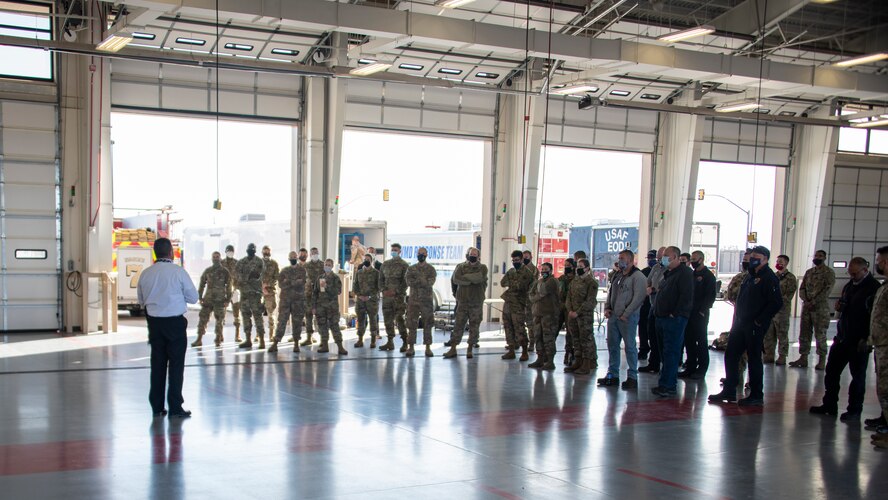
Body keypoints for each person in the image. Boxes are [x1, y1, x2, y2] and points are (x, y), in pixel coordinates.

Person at [709, 246, 783, 406]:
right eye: (751, 256)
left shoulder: (769, 278)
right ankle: (729, 389)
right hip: (740, 323)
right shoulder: (750, 276)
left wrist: (759, 320)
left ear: (765, 259)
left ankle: (756, 394)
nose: (752, 259)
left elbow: (776, 303)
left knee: (754, 358)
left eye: (756, 256)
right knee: (731, 355)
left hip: (754, 325)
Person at [810, 257, 880, 420]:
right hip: (842, 337)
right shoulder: (850, 286)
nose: (852, 275)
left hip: (859, 341)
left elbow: (876, 317)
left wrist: (867, 338)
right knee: (832, 373)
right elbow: (845, 304)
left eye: (855, 273)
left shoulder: (873, 288)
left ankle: (854, 410)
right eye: (850, 272)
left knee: (857, 377)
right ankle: (829, 405)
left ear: (864, 270)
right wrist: (840, 306)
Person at [137, 238, 198, 419]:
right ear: (171, 252)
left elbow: (141, 301)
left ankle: (157, 406)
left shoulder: (146, 274)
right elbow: (193, 298)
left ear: (155, 253)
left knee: (158, 365)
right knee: (176, 366)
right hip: (175, 324)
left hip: (154, 324)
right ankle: (175, 407)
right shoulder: (179, 273)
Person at [599, 250, 647, 389]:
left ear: (631, 260)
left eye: (622, 258)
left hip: (628, 318)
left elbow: (638, 298)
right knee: (612, 345)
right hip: (614, 316)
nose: (619, 260)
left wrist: (626, 313)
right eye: (619, 258)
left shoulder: (638, 277)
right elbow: (611, 292)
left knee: (630, 347)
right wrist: (607, 307)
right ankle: (613, 374)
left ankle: (632, 376)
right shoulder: (617, 275)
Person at [650, 246, 694, 397]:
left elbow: (685, 297)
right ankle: (665, 382)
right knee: (664, 352)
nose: (663, 258)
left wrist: (674, 314)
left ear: (675, 257)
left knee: (671, 352)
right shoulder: (668, 273)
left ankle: (668, 385)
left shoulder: (685, 273)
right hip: (661, 317)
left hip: (673, 319)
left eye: (666, 256)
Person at [791, 250, 836, 370]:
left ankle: (822, 360)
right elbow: (802, 288)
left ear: (825, 257)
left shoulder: (829, 273)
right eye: (816, 256)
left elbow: (827, 290)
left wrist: (814, 302)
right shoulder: (809, 272)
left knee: (820, 334)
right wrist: (806, 301)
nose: (817, 258)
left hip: (820, 308)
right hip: (807, 308)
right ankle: (803, 357)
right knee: (804, 333)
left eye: (820, 256)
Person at [677, 251, 716, 380]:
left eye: (694, 259)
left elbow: (710, 296)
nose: (692, 261)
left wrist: (702, 311)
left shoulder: (708, 276)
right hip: (689, 313)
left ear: (701, 259)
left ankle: (702, 368)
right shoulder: (691, 274)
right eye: (691, 259)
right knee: (689, 341)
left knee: (701, 341)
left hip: (700, 314)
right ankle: (691, 367)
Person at [444, 247, 488, 359]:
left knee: (474, 326)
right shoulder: (461, 267)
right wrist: (470, 280)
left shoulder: (482, 268)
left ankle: (470, 349)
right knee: (458, 325)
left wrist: (465, 278)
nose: (472, 255)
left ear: (478, 256)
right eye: (471, 253)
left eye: (475, 254)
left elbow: (479, 278)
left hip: (476, 302)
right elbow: (455, 279)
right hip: (463, 301)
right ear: (468, 255)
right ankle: (453, 348)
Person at [564, 258, 599, 375]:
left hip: (584, 316)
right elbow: (568, 297)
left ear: (587, 268)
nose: (578, 269)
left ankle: (587, 363)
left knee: (586, 339)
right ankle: (578, 360)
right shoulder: (574, 281)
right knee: (576, 338)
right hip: (572, 315)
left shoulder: (591, 282)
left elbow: (590, 301)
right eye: (577, 266)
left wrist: (578, 312)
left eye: (581, 267)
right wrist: (570, 310)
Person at [867, 247, 888, 443]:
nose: (878, 264)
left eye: (880, 261)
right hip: (881, 345)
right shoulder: (884, 285)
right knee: (883, 388)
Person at [268, 251, 307, 353]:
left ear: (297, 257)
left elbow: (302, 282)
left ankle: (296, 344)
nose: (293, 258)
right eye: (291, 257)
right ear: (289, 258)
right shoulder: (284, 270)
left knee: (297, 322)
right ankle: (275, 343)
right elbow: (281, 284)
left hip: (298, 301)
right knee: (282, 321)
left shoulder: (302, 270)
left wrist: (288, 281)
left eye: (294, 257)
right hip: (285, 301)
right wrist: (294, 282)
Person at [763, 254, 798, 365]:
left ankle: (782, 356)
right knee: (769, 333)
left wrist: (776, 302)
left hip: (782, 310)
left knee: (782, 333)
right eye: (777, 261)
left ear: (786, 263)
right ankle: (769, 355)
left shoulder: (791, 278)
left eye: (781, 261)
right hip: (771, 311)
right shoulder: (773, 276)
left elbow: (789, 295)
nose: (779, 263)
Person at [191, 251, 231, 347]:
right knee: (203, 318)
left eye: (217, 257)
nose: (216, 258)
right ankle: (199, 339)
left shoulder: (225, 271)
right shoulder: (208, 271)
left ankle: (218, 339)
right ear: (212, 258)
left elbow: (229, 286)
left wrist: (227, 300)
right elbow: (202, 283)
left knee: (219, 320)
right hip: (208, 299)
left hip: (220, 300)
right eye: (214, 257)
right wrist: (199, 297)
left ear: (220, 258)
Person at [501, 250, 535, 361]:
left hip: (519, 303)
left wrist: (513, 283)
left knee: (519, 327)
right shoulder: (511, 271)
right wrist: (513, 283)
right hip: (509, 302)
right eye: (513, 260)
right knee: (508, 326)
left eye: (517, 260)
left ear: (521, 260)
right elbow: (503, 282)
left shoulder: (527, 273)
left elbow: (524, 286)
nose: (515, 262)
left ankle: (524, 351)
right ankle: (511, 350)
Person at [405, 247, 437, 357]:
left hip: (426, 301)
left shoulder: (431, 269)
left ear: (427, 255)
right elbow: (409, 282)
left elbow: (430, 283)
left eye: (423, 253)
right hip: (413, 301)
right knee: (411, 324)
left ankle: (428, 348)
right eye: (419, 253)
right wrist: (422, 280)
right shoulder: (411, 268)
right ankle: (411, 347)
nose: (421, 255)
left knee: (428, 324)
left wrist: (418, 280)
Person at [528, 263, 561, 370]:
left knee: (548, 338)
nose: (543, 271)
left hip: (549, 314)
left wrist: (537, 295)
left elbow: (543, 291)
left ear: (551, 270)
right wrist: (537, 295)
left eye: (546, 269)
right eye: (542, 269)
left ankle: (550, 360)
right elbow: (531, 295)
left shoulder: (553, 281)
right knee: (538, 336)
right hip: (537, 313)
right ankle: (540, 358)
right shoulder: (539, 281)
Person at [639, 246, 667, 374]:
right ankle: (653, 363)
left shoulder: (671, 271)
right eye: (659, 258)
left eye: (662, 257)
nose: (659, 260)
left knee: (665, 340)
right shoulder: (656, 268)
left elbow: (664, 286)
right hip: (653, 306)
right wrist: (650, 287)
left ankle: (666, 368)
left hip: (665, 309)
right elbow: (648, 281)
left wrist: (655, 289)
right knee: (652, 335)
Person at [379, 243, 409, 352]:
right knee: (387, 320)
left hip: (398, 298)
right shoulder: (385, 264)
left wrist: (395, 291)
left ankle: (405, 342)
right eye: (392, 250)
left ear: (400, 251)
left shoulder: (404, 265)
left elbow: (406, 282)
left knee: (400, 319)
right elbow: (380, 279)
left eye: (395, 250)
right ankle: (390, 342)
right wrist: (383, 290)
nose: (393, 251)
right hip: (387, 298)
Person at [313, 259, 347, 355]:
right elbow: (315, 292)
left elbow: (338, 291)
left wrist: (327, 286)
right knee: (322, 326)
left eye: (329, 265)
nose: (327, 266)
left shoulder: (335, 278)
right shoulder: (320, 278)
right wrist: (314, 306)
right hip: (321, 307)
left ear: (332, 266)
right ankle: (324, 345)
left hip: (332, 307)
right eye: (325, 264)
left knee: (334, 326)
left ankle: (340, 347)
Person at [236, 243, 266, 349]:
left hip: (255, 294)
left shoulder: (259, 262)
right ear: (246, 250)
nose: (251, 251)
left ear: (255, 250)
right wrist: (247, 277)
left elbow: (260, 276)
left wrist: (247, 278)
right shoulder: (241, 262)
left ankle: (262, 340)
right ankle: (248, 339)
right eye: (249, 249)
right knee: (245, 317)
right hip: (244, 294)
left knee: (258, 317)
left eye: (253, 249)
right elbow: (237, 277)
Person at [353, 253, 381, 348]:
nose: (366, 261)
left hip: (372, 301)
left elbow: (379, 288)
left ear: (372, 261)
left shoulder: (376, 273)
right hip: (360, 301)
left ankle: (373, 340)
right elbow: (355, 286)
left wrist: (369, 296)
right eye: (365, 259)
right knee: (360, 320)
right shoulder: (359, 272)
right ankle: (360, 339)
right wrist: (359, 295)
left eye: (368, 259)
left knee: (373, 320)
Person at [301, 247, 324, 346]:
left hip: (319, 294)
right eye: (313, 253)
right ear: (310, 255)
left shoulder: (323, 264)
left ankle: (323, 339)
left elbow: (324, 279)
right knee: (308, 315)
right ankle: (309, 338)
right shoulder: (306, 265)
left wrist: (323, 293)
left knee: (320, 316)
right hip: (308, 294)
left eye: (316, 252)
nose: (315, 254)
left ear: (319, 253)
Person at [638, 250, 657, 361]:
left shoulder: (661, 271)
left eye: (652, 258)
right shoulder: (644, 272)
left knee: (653, 331)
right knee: (643, 328)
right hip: (644, 304)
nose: (650, 260)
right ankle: (643, 349)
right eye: (649, 258)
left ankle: (655, 354)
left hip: (655, 305)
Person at [221, 244, 242, 343]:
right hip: (223, 291)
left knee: (237, 313)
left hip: (234, 291)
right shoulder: (221, 263)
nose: (230, 253)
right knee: (221, 314)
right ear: (225, 252)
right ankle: (220, 335)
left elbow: (240, 277)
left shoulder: (237, 263)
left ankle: (237, 335)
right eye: (228, 251)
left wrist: (236, 287)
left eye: (231, 251)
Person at [558, 258, 577, 365]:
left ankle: (569, 354)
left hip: (570, 309)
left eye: (568, 265)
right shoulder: (562, 278)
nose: (566, 267)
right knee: (553, 331)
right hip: (560, 308)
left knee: (570, 333)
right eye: (565, 265)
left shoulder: (576, 279)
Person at [260, 245, 280, 342]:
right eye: (264, 251)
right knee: (257, 314)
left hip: (270, 292)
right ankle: (259, 335)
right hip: (258, 292)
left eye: (268, 251)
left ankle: (271, 334)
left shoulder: (274, 264)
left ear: (270, 252)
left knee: (270, 313)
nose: (266, 253)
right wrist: (261, 287)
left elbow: (276, 277)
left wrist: (267, 285)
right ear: (262, 252)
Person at [522, 250, 539, 352]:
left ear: (531, 257)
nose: (525, 259)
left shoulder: (534, 270)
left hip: (529, 300)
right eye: (523, 257)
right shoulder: (520, 268)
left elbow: (531, 283)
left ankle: (532, 342)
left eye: (526, 257)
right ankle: (520, 341)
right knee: (518, 322)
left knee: (530, 323)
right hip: (520, 300)